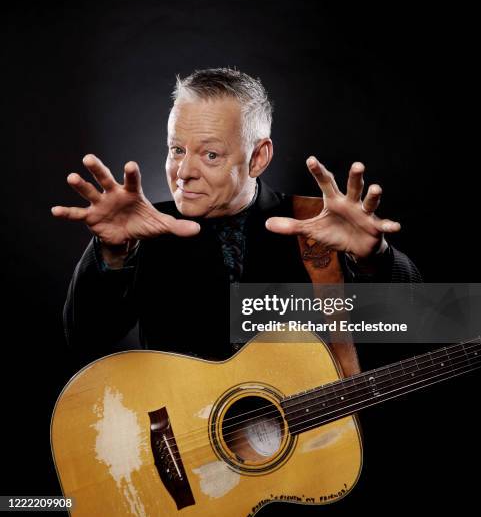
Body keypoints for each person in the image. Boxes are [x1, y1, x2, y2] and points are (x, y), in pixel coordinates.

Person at [52, 68, 421, 365]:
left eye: (210, 155)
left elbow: (420, 330)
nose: (183, 173)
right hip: (182, 448)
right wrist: (112, 255)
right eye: (177, 149)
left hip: (303, 451)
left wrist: (376, 261)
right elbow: (84, 341)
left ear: (258, 157)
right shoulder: (142, 232)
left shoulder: (316, 226)